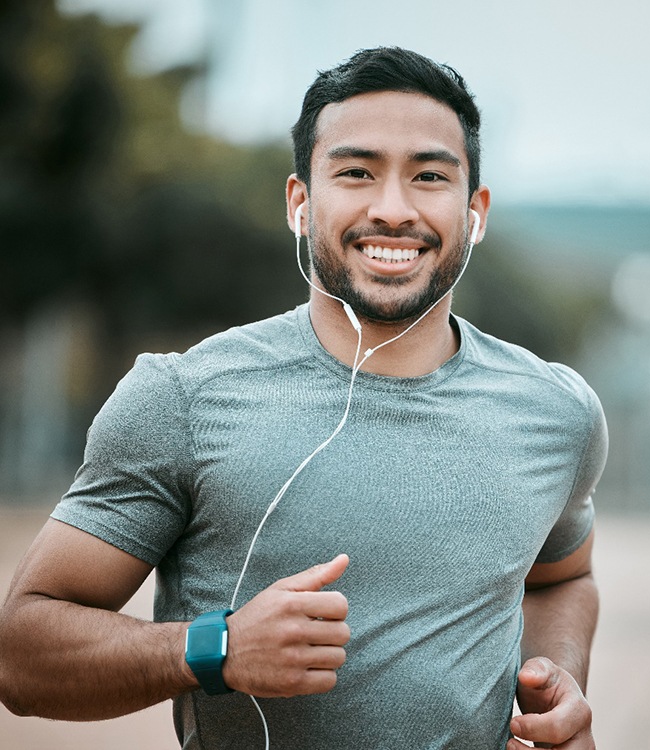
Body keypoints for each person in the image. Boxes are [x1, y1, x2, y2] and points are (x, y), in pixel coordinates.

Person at [0, 47, 607, 749]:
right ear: (300, 202)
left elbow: (566, 576)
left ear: (475, 211)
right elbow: (20, 654)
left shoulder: (556, 412)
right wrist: (213, 650)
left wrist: (556, 679)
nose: (392, 209)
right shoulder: (182, 399)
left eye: (430, 176)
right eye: (356, 172)